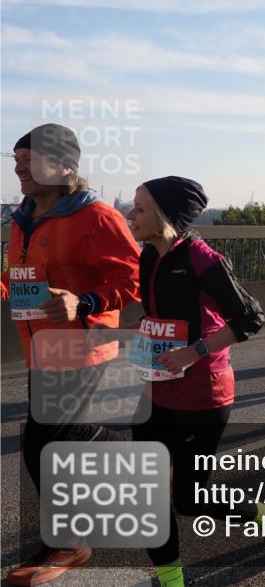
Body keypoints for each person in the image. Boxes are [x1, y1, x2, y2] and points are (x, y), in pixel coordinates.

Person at [126, 177, 265, 587]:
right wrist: (147, 337)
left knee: (189, 498)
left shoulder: (202, 258)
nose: (131, 215)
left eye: (140, 208)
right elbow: (162, 313)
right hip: (158, 387)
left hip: (204, 393)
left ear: (166, 216)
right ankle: (171, 580)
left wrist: (193, 351)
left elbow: (250, 318)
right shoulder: (149, 256)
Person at [2, 125, 141, 587]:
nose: (19, 168)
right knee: (57, 438)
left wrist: (83, 301)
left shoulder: (97, 216)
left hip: (81, 343)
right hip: (38, 348)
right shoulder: (21, 220)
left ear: (63, 166)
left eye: (30, 160)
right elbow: (16, 280)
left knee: (44, 441)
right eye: (17, 160)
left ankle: (69, 541)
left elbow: (131, 281)